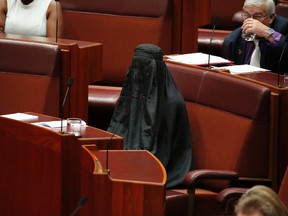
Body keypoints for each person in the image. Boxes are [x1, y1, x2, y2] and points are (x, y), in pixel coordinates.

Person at [107, 44, 194, 189]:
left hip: (162, 168)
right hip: (132, 162)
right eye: (136, 67)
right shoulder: (132, 94)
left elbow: (163, 150)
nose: (138, 74)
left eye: (144, 69)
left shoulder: (172, 102)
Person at [224, 0, 288, 74]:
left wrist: (267, 33)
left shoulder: (285, 27)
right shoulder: (233, 40)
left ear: (271, 17)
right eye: (247, 16)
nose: (252, 22)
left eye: (257, 16)